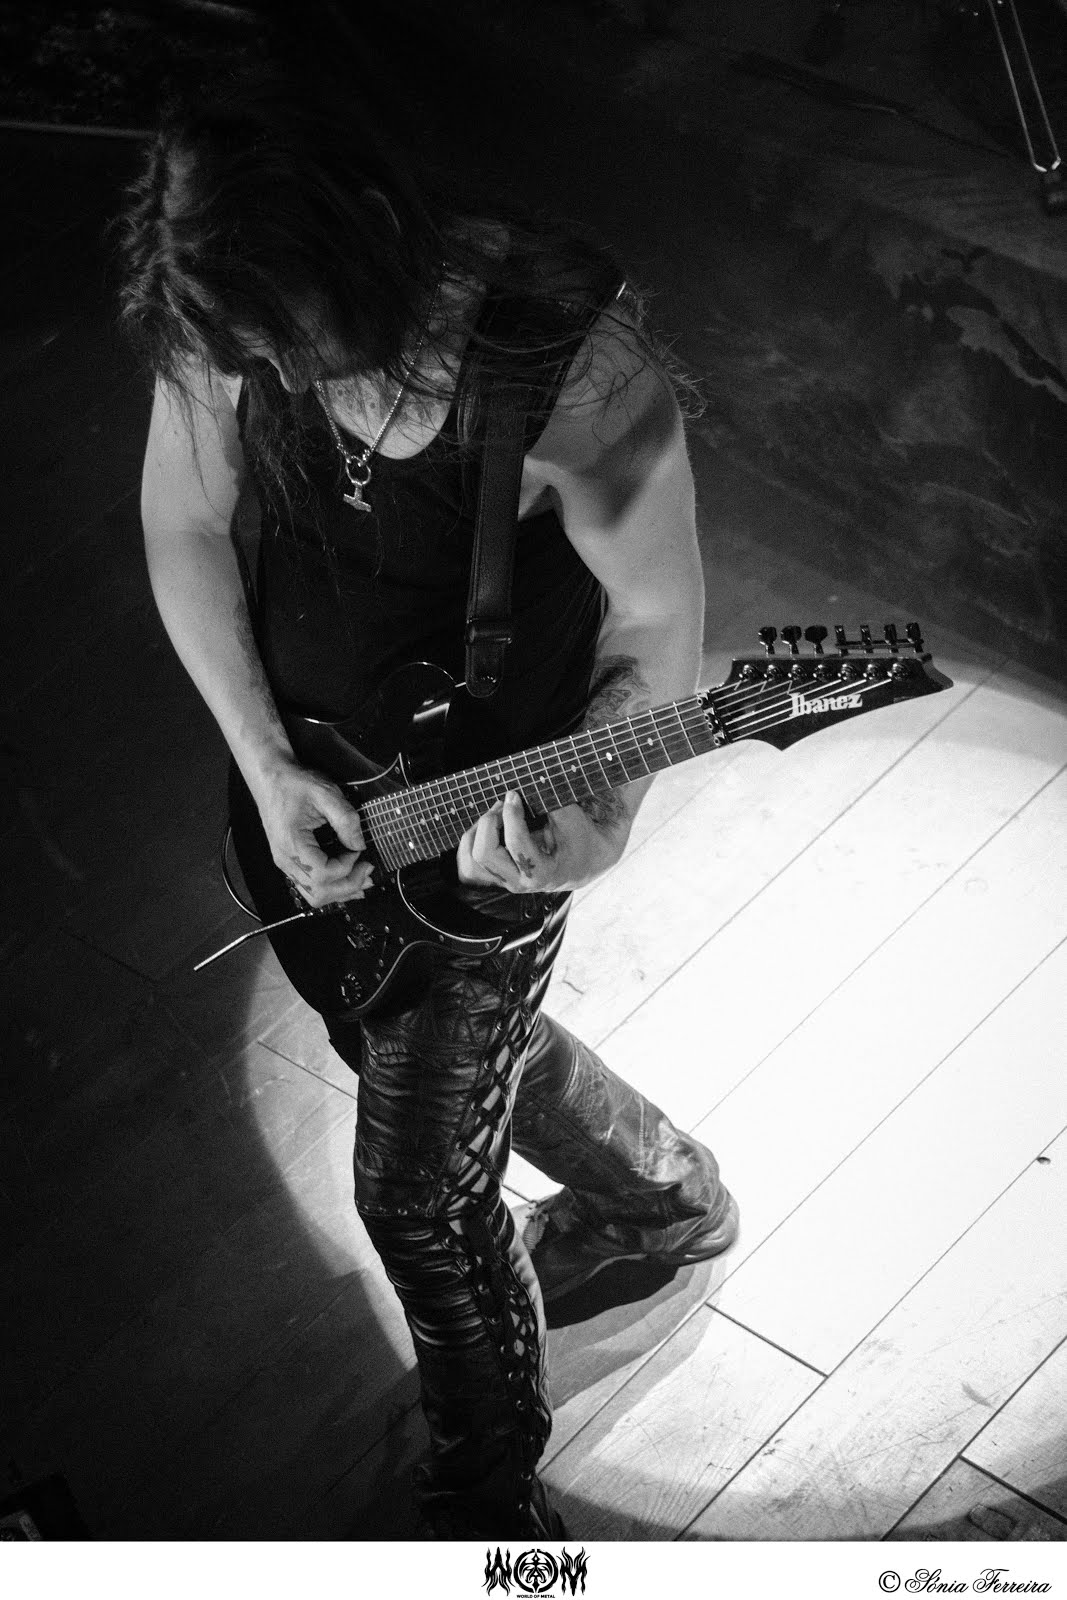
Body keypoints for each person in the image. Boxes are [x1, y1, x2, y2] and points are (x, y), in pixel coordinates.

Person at [119, 68, 738, 1539]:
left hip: (487, 834)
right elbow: (183, 520)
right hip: (307, 807)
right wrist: (266, 763)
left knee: (418, 1202)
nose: (266, 370)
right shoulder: (228, 307)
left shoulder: (572, 371)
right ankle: (662, 1197)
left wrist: (600, 817)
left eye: (293, 336)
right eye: (241, 349)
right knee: (405, 1052)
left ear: (364, 238)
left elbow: (659, 622)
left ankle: (488, 1507)